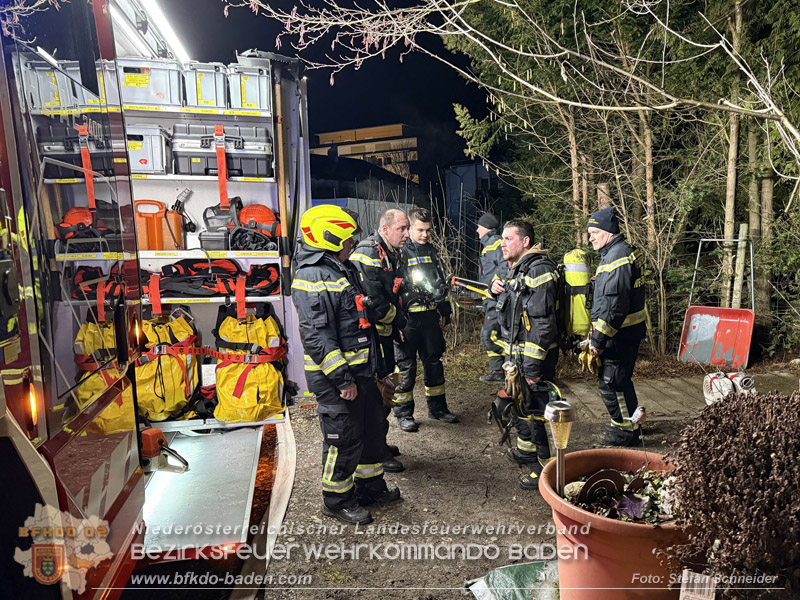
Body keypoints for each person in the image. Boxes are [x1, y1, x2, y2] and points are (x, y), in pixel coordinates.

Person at [291, 205, 401, 526]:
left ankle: (370, 487)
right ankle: (337, 500)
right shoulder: (312, 275)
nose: (352, 242)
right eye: (348, 237)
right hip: (337, 380)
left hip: (362, 372)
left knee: (371, 431)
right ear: (330, 237)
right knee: (344, 438)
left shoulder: (342, 268)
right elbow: (317, 337)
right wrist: (342, 380)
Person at [489, 220, 560, 490]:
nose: (502, 243)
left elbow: (543, 323)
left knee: (537, 413)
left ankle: (543, 471)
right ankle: (527, 452)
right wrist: (495, 290)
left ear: (525, 242)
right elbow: (515, 309)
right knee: (521, 407)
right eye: (502, 238)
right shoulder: (520, 269)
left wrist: (532, 368)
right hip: (519, 357)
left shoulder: (538, 270)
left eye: (508, 238)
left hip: (534, 359)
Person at [350, 209, 410, 470]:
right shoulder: (369, 253)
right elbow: (373, 302)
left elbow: (394, 291)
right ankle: (375, 451)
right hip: (370, 337)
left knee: (384, 388)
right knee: (375, 394)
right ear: (385, 229)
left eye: (407, 228)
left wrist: (396, 326)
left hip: (383, 334)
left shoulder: (391, 251)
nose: (407, 234)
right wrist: (400, 321)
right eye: (401, 229)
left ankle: (379, 442)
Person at [392, 207, 458, 432]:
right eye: (420, 230)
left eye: (428, 230)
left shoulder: (431, 251)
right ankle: (403, 414)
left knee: (434, 363)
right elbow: (391, 289)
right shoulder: (399, 253)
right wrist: (394, 323)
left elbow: (438, 283)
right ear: (409, 229)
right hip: (408, 320)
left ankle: (438, 409)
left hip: (430, 317)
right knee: (406, 368)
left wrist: (446, 312)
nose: (425, 235)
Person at [587, 206, 646, 446]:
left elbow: (614, 306)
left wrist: (598, 340)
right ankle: (632, 425)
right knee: (621, 381)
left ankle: (624, 432)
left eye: (594, 233)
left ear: (609, 231)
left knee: (612, 384)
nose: (590, 238)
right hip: (626, 333)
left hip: (618, 336)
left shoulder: (616, 257)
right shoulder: (618, 252)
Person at [476, 212, 508, 383]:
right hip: (489, 298)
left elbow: (505, 267)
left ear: (486, 227)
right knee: (488, 334)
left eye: (479, 227)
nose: (476, 230)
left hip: (496, 298)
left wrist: (495, 286)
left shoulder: (495, 243)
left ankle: (516, 359)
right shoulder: (488, 245)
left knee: (490, 336)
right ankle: (497, 371)